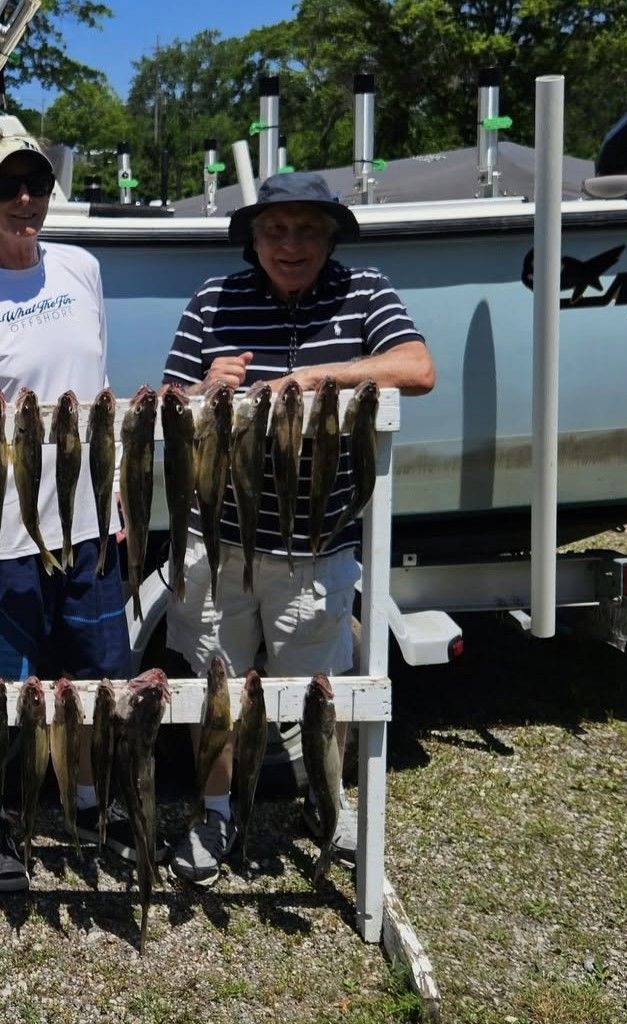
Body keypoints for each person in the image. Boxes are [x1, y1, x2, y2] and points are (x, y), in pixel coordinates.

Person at [160, 171, 436, 886]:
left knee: (324, 686)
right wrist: (200, 391)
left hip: (318, 543)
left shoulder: (366, 290)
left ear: (331, 237)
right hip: (217, 541)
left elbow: (418, 368)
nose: (292, 244)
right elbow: (162, 406)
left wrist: (321, 377)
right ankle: (215, 812)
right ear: (252, 238)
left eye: (309, 229)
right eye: (276, 230)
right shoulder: (211, 301)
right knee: (215, 685)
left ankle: (326, 800)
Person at [0, 134, 134, 891]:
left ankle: (90, 806)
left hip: (87, 530)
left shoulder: (83, 269)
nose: (23, 201)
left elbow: (100, 388)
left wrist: (116, 499)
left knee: (99, 686)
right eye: (6, 187)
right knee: (1, 697)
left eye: (35, 185)